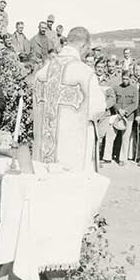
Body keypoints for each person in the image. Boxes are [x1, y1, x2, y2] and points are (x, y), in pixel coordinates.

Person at [32, 26, 106, 171]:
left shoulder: (42, 72)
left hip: (44, 148)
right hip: (71, 149)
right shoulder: (85, 73)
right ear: (84, 46)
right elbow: (97, 109)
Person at [101, 71, 138, 166]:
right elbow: (114, 100)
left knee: (125, 138)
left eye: (127, 78)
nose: (125, 80)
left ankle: (122, 158)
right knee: (110, 136)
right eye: (123, 78)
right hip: (116, 116)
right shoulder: (116, 88)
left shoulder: (134, 90)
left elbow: (135, 104)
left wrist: (125, 111)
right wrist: (119, 110)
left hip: (128, 117)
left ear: (130, 78)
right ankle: (107, 157)